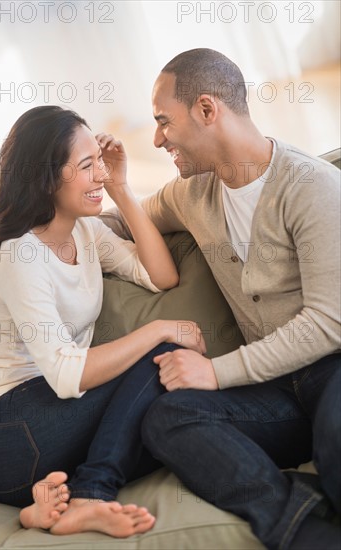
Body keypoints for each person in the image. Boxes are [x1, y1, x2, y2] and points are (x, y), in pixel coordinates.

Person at [101, 49, 341, 549]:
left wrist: (217, 372)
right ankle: (303, 526)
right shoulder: (190, 194)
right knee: (170, 416)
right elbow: (123, 224)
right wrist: (32, 234)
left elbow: (329, 322)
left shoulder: (312, 186)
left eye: (164, 122)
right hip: (275, 394)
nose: (157, 138)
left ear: (208, 110)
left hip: (331, 369)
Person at [0, 105, 206, 537]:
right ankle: (92, 494)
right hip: (7, 431)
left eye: (99, 162)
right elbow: (67, 376)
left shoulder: (87, 232)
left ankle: (40, 506)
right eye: (87, 166)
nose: (100, 174)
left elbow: (161, 276)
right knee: (164, 356)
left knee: (172, 421)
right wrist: (159, 330)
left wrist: (121, 188)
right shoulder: (19, 256)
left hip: (48, 441)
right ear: (47, 178)